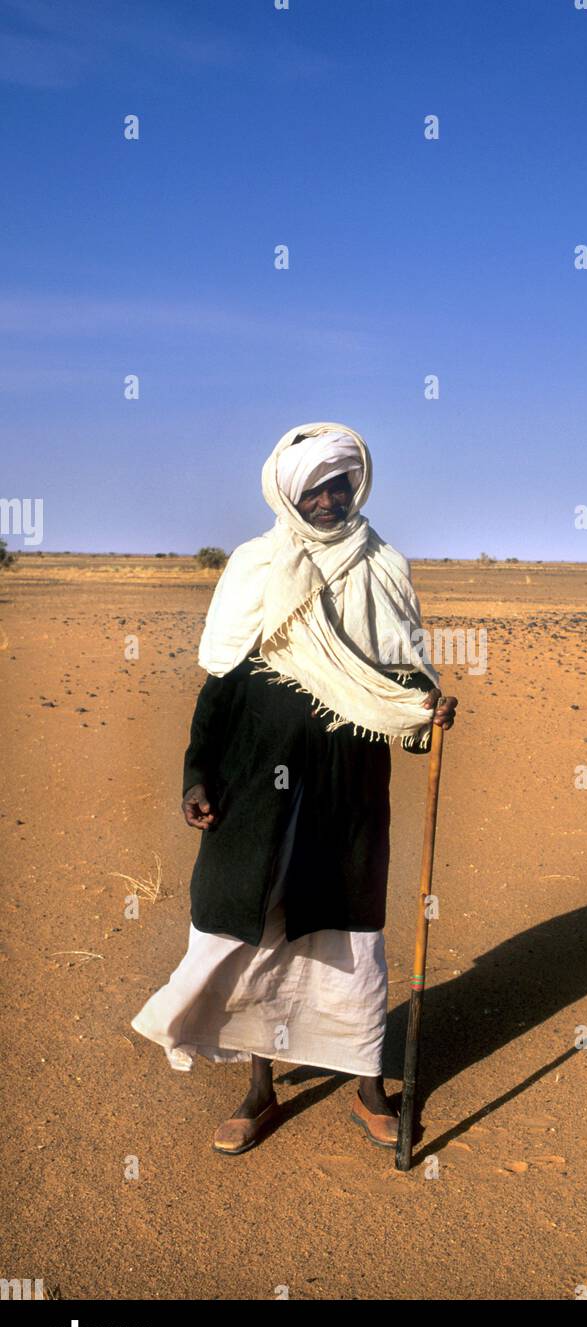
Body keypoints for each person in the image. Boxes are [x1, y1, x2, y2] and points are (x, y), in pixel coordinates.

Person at [131, 422, 457, 1155]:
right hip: (252, 791)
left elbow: (399, 681)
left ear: (356, 487)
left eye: (340, 484)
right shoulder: (253, 566)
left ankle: (369, 1087)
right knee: (252, 937)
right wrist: (196, 775)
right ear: (288, 491)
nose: (329, 498)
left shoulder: (384, 567)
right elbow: (219, 686)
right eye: (315, 486)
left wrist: (424, 715)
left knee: (348, 941)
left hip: (345, 794)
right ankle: (260, 1088)